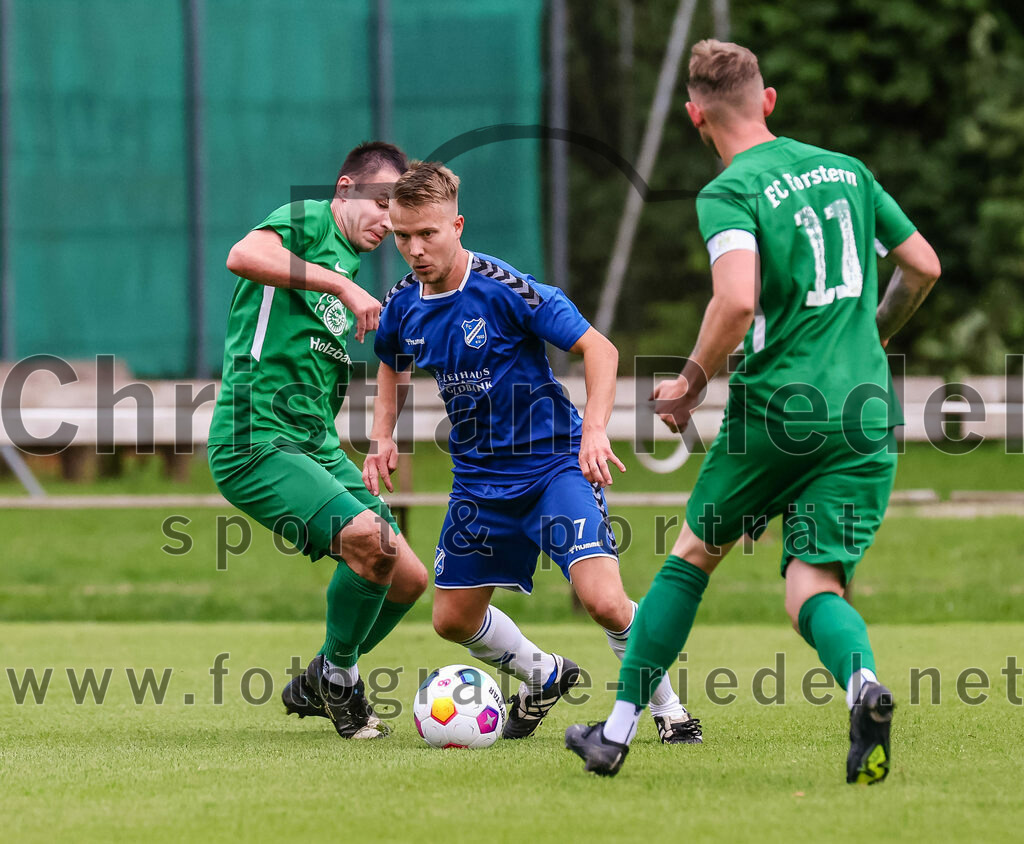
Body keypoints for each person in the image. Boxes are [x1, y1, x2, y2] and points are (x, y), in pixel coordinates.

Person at [566, 40, 941, 781]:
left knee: (692, 557)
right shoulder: (850, 173)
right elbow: (922, 264)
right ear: (767, 100)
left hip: (778, 409)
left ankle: (612, 734)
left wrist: (693, 381)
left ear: (693, 115)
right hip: (866, 410)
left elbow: (736, 299)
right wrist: (878, 333)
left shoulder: (730, 190)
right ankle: (862, 685)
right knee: (813, 583)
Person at [364, 161, 699, 743]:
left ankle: (671, 712)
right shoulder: (400, 304)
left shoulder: (505, 287)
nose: (414, 249)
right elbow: (391, 362)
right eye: (401, 236)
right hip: (477, 483)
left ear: (458, 225)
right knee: (452, 620)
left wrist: (594, 430)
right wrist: (383, 435)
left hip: (553, 468)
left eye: (427, 234)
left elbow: (601, 350)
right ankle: (544, 675)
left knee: (604, 601)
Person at [207, 142, 429, 740]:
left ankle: (326, 677)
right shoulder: (308, 221)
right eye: (380, 202)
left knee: (408, 578)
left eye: (397, 210)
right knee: (372, 543)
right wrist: (340, 286)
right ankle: (339, 685)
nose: (387, 220)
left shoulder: (350, 264)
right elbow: (242, 253)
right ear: (344, 189)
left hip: (314, 442)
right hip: (255, 436)